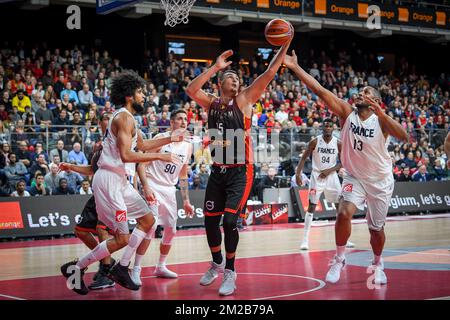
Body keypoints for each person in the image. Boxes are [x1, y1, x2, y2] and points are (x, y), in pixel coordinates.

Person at [283, 50, 408, 285]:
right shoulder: (347, 114)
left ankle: (378, 263)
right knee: (342, 213)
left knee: (376, 230)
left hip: (380, 181)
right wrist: (295, 68)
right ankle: (340, 259)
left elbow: (405, 137)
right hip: (354, 177)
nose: (360, 94)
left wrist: (383, 114)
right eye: (360, 91)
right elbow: (320, 90)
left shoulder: (381, 121)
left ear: (376, 102)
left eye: (366, 93)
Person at [186, 36, 292, 296]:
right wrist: (215, 66)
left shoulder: (244, 100)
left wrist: (285, 44)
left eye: (238, 79)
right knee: (210, 223)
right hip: (217, 172)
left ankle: (230, 271)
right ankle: (216, 262)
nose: (237, 81)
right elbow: (190, 90)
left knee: (230, 221)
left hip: (240, 172)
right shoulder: (211, 102)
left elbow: (268, 73)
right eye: (232, 78)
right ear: (221, 82)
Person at [60, 70, 183, 295]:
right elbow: (127, 155)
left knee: (148, 219)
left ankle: (122, 268)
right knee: (122, 238)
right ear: (129, 95)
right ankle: (76, 268)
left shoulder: (129, 118)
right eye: (140, 92)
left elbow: (143, 146)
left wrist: (171, 138)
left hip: (120, 181)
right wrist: (160, 155)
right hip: (109, 181)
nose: (144, 96)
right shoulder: (123, 118)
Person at [131, 110, 194, 286]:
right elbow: (142, 164)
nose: (183, 122)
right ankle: (135, 268)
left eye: (185, 119)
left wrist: (186, 200)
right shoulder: (161, 138)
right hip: (153, 185)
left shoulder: (188, 146)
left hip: (169, 190)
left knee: (171, 230)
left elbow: (183, 174)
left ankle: (161, 266)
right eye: (179, 119)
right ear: (172, 123)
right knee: (150, 227)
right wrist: (146, 187)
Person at [295, 119, 354, 251]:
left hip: (332, 176)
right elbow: (303, 158)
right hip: (317, 176)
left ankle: (344, 238)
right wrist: (298, 174)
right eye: (325, 126)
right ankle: (305, 240)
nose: (327, 128)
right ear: (322, 127)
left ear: (333, 128)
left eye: (330, 126)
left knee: (340, 207)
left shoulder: (338, 143)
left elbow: (344, 162)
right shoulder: (315, 141)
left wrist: (329, 170)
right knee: (311, 206)